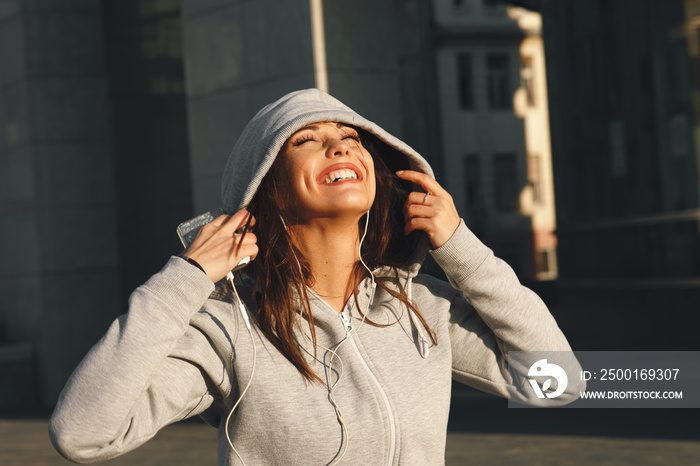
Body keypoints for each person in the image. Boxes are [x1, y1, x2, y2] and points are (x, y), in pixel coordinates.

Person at [49, 88, 582, 465]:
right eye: (306, 140)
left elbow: (558, 382)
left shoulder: (421, 310)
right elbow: (83, 435)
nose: (341, 146)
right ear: (268, 186)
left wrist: (462, 247)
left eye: (351, 137)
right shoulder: (229, 331)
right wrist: (185, 280)